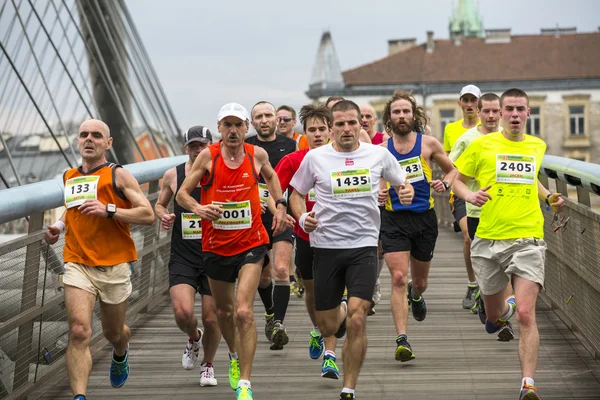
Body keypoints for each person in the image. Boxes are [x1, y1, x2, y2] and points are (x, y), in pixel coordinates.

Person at [289, 100, 414, 400]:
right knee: (328, 324)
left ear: (362, 125)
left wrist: (405, 191)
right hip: (327, 247)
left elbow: (402, 183)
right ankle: (340, 310)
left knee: (359, 318)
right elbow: (296, 194)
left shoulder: (379, 155)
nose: (346, 129)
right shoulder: (316, 158)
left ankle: (348, 388)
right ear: (331, 128)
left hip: (363, 247)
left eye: (352, 123)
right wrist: (303, 217)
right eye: (340, 124)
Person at [451, 88, 565, 400]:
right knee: (493, 316)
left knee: (527, 314)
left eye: (521, 109)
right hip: (488, 239)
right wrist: (470, 196)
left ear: (529, 113)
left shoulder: (537, 146)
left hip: (528, 237)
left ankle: (528, 383)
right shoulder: (482, 145)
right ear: (500, 113)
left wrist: (549, 197)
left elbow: (531, 180)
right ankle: (503, 309)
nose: (515, 114)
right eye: (509, 109)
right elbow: (456, 179)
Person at [176, 102, 291, 400]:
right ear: (219, 129)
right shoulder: (208, 157)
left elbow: (272, 178)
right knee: (224, 311)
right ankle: (234, 356)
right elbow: (182, 194)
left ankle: (245, 383)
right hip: (215, 246)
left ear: (246, 128)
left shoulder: (257, 155)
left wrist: (280, 205)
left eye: (238, 125)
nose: (232, 130)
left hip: (251, 243)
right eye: (227, 125)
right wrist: (200, 208)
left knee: (243, 311)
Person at [44, 119, 154, 400]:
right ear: (77, 142)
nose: (89, 139)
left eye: (96, 135)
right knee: (80, 331)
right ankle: (79, 396)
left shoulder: (119, 176)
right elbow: (73, 210)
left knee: (113, 333)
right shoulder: (70, 175)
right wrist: (58, 227)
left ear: (109, 143)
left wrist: (109, 210)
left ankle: (120, 351)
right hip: (78, 263)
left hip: (114, 266)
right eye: (83, 135)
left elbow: (147, 214)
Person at [378, 90, 457, 362]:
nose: (402, 116)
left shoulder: (428, 144)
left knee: (419, 282)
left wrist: (444, 184)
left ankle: (416, 294)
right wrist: (377, 193)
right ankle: (402, 339)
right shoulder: (381, 150)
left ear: (414, 115)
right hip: (393, 219)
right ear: (389, 118)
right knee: (398, 277)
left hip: (424, 219)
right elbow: (373, 179)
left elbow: (453, 169)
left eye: (406, 111)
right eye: (396, 112)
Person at [273, 103, 342, 379]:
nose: (316, 134)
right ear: (305, 132)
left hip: (338, 239)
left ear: (331, 131)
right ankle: (317, 330)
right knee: (313, 295)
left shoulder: (342, 159)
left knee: (333, 295)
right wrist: (280, 208)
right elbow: (274, 189)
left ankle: (330, 354)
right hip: (305, 237)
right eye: (311, 130)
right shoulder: (293, 160)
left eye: (321, 129)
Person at [154, 125, 222, 386]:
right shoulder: (173, 174)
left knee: (211, 316)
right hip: (183, 254)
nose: (198, 149)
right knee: (183, 313)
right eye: (193, 145)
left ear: (211, 145)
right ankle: (194, 338)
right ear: (185, 148)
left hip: (215, 254)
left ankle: (208, 365)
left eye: (202, 144)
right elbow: (160, 204)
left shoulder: (220, 172)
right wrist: (165, 215)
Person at [245, 101, 297, 350]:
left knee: (281, 269)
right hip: (255, 219)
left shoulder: (290, 146)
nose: (264, 120)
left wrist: (285, 205)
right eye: (259, 116)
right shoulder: (246, 147)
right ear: (252, 123)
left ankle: (278, 324)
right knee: (264, 277)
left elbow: (297, 181)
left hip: (282, 214)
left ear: (277, 119)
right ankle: (269, 311)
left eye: (268, 115)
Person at [444, 84, 482, 311]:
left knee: (485, 240)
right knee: (470, 236)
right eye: (465, 100)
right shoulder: (451, 129)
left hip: (486, 191)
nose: (469, 104)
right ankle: (472, 283)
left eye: (473, 100)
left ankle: (486, 287)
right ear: (459, 103)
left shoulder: (490, 128)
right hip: (460, 190)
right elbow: (449, 162)